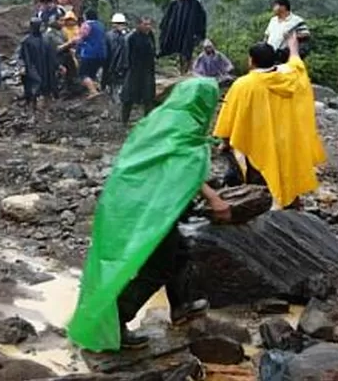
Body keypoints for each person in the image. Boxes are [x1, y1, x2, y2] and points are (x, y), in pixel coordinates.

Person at [67, 78, 231, 352]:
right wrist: (213, 197)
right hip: (150, 206)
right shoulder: (185, 123)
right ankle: (117, 319)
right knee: (157, 266)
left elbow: (169, 159)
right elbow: (183, 163)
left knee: (179, 251)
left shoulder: (162, 117)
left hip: (130, 198)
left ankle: (181, 306)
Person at [213, 32, 326, 208]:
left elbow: (229, 118)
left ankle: (264, 212)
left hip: (258, 144)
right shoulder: (290, 77)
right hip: (287, 141)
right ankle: (291, 206)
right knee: (287, 175)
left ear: (251, 60)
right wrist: (293, 45)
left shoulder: (243, 85)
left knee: (259, 182)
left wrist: (225, 142)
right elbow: (297, 64)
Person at [159, 0, 207, 74]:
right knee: (178, 50)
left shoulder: (194, 3)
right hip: (177, 31)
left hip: (189, 32)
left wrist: (199, 33)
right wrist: (165, 29)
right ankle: (180, 69)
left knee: (187, 51)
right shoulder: (175, 3)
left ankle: (187, 70)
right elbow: (167, 18)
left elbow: (201, 19)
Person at [16, 18, 59, 121]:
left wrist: (57, 66)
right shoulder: (26, 41)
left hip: (46, 68)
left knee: (47, 92)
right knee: (32, 92)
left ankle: (47, 114)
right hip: (32, 69)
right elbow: (21, 56)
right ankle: (32, 115)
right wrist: (22, 67)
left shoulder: (46, 39)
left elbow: (52, 55)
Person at [120, 16, 157, 124]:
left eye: (149, 24)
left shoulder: (150, 36)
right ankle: (124, 121)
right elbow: (126, 55)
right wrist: (126, 68)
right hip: (134, 71)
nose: (148, 27)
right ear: (139, 25)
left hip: (148, 71)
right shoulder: (131, 37)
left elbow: (153, 51)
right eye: (145, 24)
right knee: (128, 97)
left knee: (148, 97)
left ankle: (147, 122)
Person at [72, 9, 107, 98]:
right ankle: (98, 89)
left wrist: (73, 42)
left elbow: (81, 38)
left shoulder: (86, 25)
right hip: (102, 53)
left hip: (89, 53)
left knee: (83, 74)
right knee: (92, 74)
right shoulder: (101, 25)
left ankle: (93, 91)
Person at [263, 0, 307, 64]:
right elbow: (267, 35)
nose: (273, 8)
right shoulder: (273, 20)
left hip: (286, 55)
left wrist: (292, 36)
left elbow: (306, 34)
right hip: (271, 55)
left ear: (283, 7)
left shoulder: (296, 20)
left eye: (275, 6)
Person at [102, 13, 129, 101]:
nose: (119, 26)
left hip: (125, 63)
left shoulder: (128, 35)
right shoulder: (109, 35)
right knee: (113, 80)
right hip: (112, 62)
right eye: (117, 23)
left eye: (121, 23)